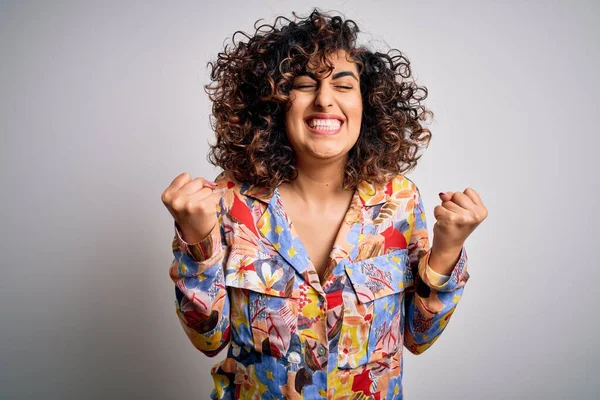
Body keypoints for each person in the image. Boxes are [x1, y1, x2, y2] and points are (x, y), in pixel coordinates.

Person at [161, 9, 487, 399]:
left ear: (368, 105)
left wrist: (448, 249)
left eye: (343, 86)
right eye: (303, 84)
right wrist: (196, 241)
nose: (324, 100)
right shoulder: (229, 200)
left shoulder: (399, 201)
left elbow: (417, 338)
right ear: (274, 103)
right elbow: (208, 339)